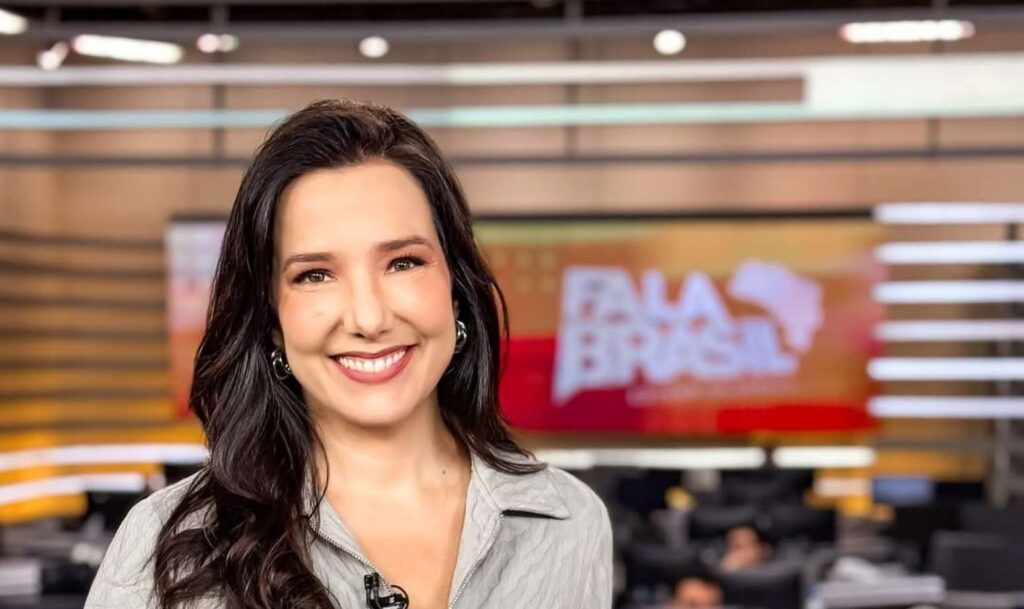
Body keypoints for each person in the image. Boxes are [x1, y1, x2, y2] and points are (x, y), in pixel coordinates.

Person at [84, 99, 613, 609]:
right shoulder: (167, 546)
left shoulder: (569, 523)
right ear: (272, 322)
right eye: (315, 275)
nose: (368, 317)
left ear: (456, 289)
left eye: (403, 263)